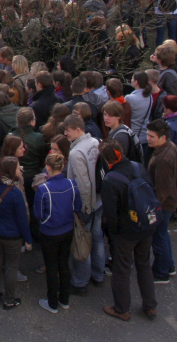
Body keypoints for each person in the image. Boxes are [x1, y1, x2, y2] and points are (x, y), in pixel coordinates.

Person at [99, 140, 158, 322]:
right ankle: (150, 305)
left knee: (122, 270)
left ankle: (122, 309)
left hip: (126, 232)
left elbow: (110, 213)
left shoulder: (110, 180)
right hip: (146, 226)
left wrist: (113, 233)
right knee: (144, 265)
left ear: (107, 160)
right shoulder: (138, 167)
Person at [34, 152, 81, 314]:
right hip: (67, 230)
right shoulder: (72, 184)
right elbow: (77, 207)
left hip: (49, 232)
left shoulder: (43, 189)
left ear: (47, 167)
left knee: (52, 267)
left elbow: (38, 214)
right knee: (64, 264)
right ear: (62, 166)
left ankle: (52, 302)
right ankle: (64, 299)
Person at [63, 115, 105, 294]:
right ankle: (98, 275)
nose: (66, 134)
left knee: (82, 242)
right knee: (97, 237)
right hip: (99, 200)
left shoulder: (76, 153)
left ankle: (80, 282)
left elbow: (83, 184)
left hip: (87, 203)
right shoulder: (95, 142)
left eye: (68, 130)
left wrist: (85, 208)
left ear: (78, 129)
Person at [0, 156, 32, 310]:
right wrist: (28, 239)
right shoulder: (15, 193)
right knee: (11, 267)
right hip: (12, 236)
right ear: (12, 171)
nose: (20, 170)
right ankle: (9, 299)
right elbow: (22, 219)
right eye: (18, 168)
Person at [146, 120, 177, 285]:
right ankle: (169, 265)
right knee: (163, 235)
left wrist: (154, 208)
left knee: (158, 238)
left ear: (163, 137)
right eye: (147, 135)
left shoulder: (162, 160)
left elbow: (162, 189)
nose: (148, 139)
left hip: (163, 205)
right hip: (169, 201)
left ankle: (161, 272)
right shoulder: (170, 147)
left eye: (152, 136)